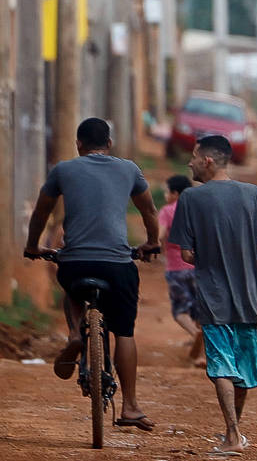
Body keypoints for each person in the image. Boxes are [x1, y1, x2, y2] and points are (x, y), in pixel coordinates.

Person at [22, 116, 162, 432]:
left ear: (79, 145)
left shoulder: (63, 170)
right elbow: (149, 211)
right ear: (109, 144)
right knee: (124, 332)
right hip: (117, 264)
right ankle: (130, 407)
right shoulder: (129, 169)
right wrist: (152, 243)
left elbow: (41, 212)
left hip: (77, 263)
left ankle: (75, 333)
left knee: (71, 286)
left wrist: (33, 246)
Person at [169, 132, 257, 455]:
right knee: (243, 366)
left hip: (212, 295)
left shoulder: (190, 200)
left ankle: (233, 435)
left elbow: (188, 255)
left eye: (193, 156)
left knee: (221, 363)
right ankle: (233, 431)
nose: (189, 162)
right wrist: (251, 257)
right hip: (248, 295)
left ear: (207, 161)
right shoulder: (253, 194)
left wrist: (207, 257)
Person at [158, 172, 203, 357]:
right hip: (199, 267)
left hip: (176, 269)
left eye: (167, 192)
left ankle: (195, 335)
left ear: (175, 193)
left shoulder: (167, 211)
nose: (166, 196)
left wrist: (155, 247)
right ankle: (203, 352)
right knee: (201, 310)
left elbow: (160, 235)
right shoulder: (197, 209)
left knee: (181, 311)